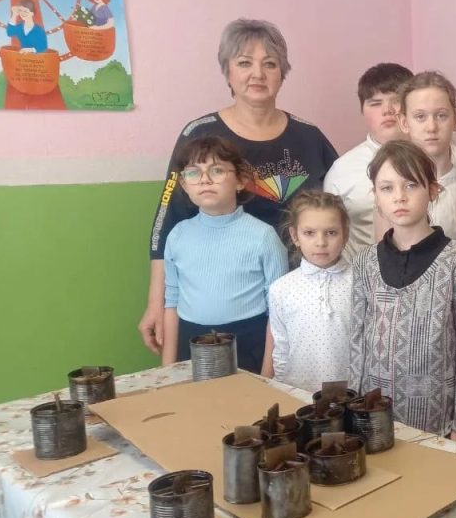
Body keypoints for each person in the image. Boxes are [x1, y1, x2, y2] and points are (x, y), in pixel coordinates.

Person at [140, 18, 338, 357]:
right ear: (228, 72)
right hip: (230, 308)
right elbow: (166, 223)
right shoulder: (199, 134)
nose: (257, 74)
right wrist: (156, 302)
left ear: (282, 73)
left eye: (270, 64)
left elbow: (339, 210)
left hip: (304, 295)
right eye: (245, 63)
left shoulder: (310, 137)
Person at [348, 140, 456, 442]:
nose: (399, 196)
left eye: (411, 185)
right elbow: (357, 344)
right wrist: (354, 410)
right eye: (387, 188)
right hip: (374, 419)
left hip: (436, 422)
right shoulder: (365, 263)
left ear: (433, 190)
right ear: (376, 197)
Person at [161, 136, 288, 373]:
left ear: (240, 180)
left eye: (217, 170)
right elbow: (172, 302)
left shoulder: (263, 236)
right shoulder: (177, 235)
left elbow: (278, 310)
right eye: (193, 173)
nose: (205, 179)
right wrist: (167, 370)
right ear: (184, 184)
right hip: (190, 342)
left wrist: (268, 374)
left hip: (250, 343)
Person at [263, 190, 353, 392]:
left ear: (345, 234)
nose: (320, 242)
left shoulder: (361, 282)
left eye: (331, 233)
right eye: (309, 233)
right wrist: (281, 390)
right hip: (297, 391)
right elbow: (280, 348)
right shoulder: (281, 288)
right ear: (295, 236)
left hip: (352, 394)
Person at [324, 62, 412, 258]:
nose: (388, 110)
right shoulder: (342, 171)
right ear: (362, 110)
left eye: (396, 100)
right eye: (375, 103)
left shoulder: (445, 159)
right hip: (365, 272)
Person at [397, 71, 456, 248]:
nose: (431, 127)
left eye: (441, 115)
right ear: (404, 122)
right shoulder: (391, 191)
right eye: (420, 117)